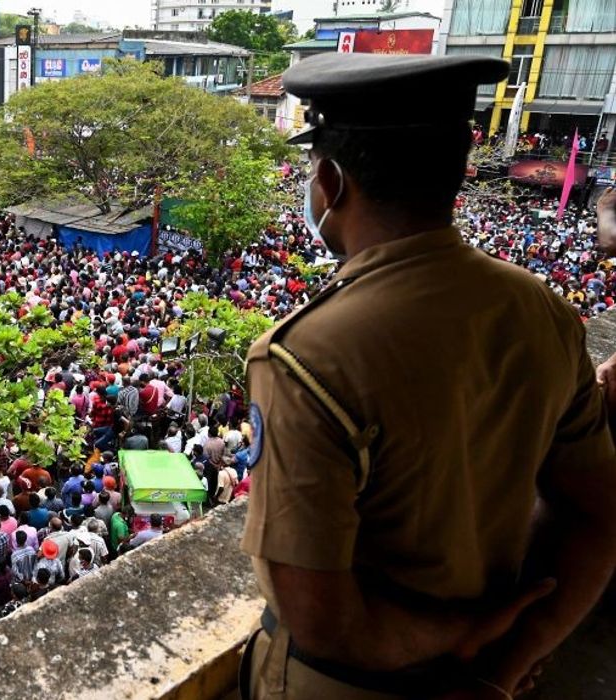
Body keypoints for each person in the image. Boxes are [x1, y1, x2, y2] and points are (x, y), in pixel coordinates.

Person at [242, 53, 616, 700]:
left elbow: (321, 623)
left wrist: (457, 633)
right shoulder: (543, 312)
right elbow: (598, 518)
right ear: (456, 171)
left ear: (328, 183)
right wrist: (498, 671)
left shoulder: (304, 358)